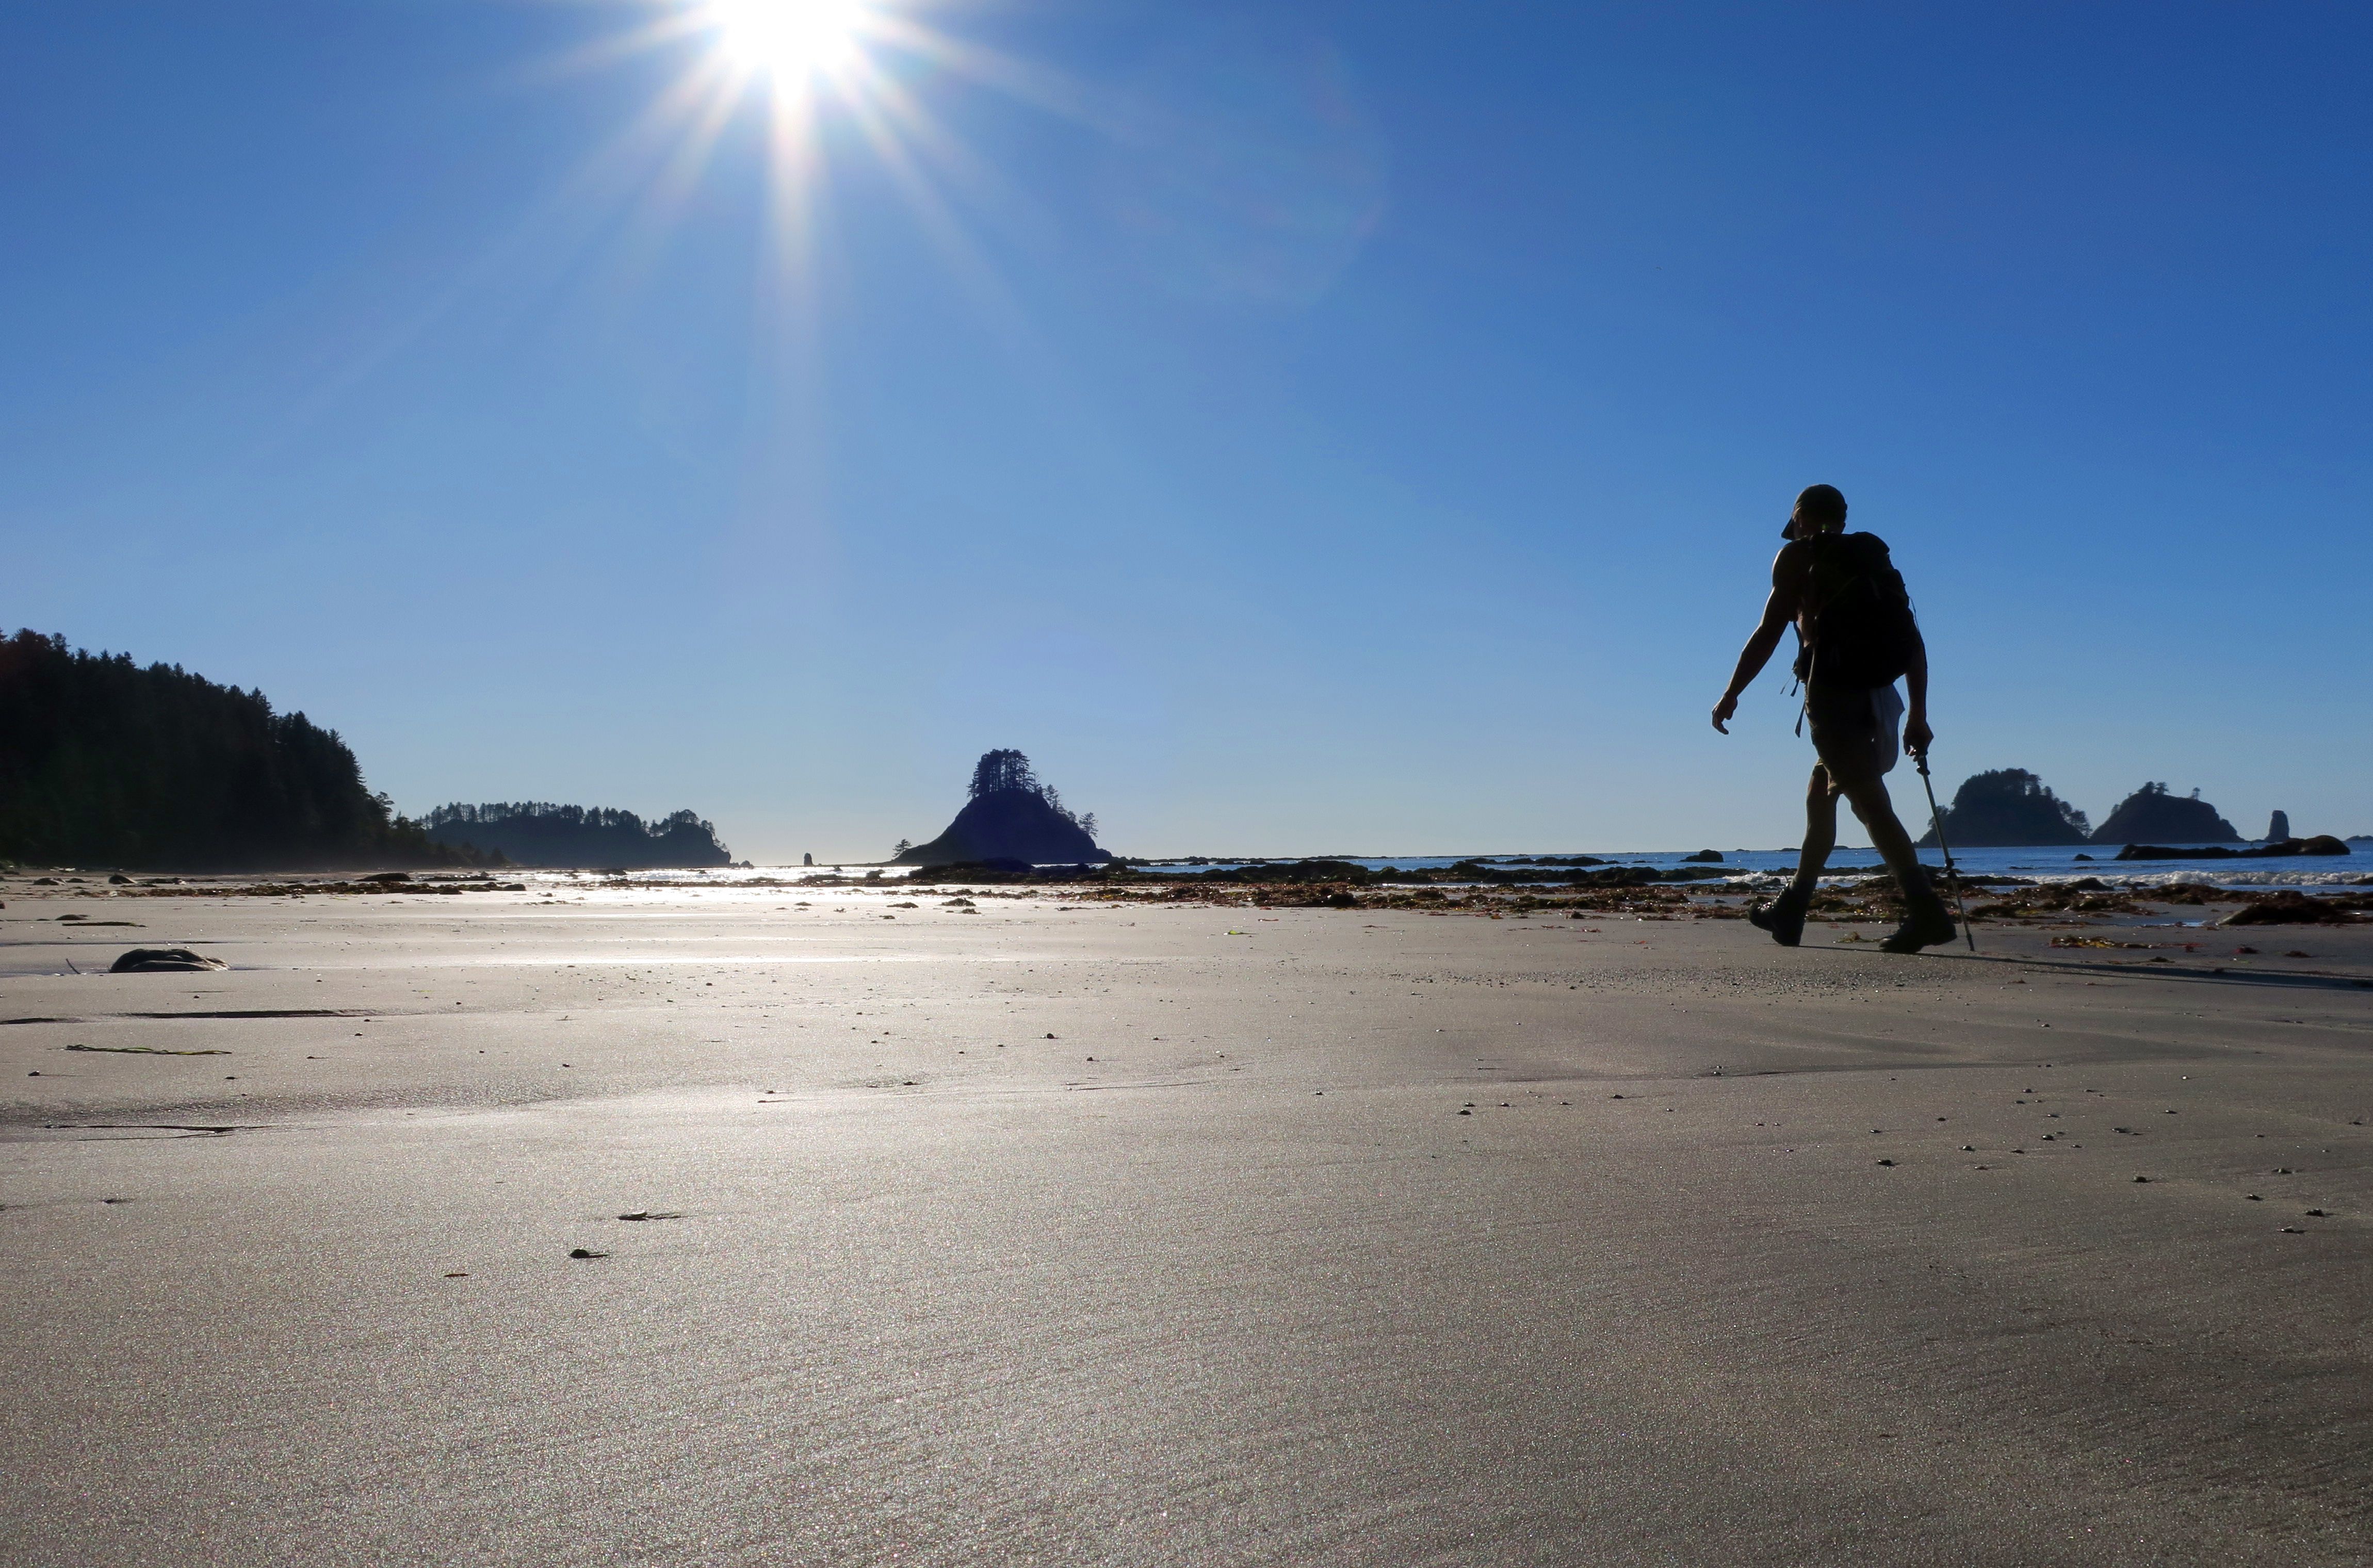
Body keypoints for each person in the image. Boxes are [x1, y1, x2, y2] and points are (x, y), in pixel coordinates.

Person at [1710, 484, 1958, 954]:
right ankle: (1793, 909)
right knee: (1821, 795)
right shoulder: (1871, 559)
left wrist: (1731, 693)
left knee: (1870, 804)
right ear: (1841, 518)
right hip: (1879, 692)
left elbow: (1769, 631)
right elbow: (1913, 642)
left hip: (1831, 698)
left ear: (1801, 517)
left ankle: (1926, 911)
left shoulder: (1796, 558)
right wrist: (1918, 715)